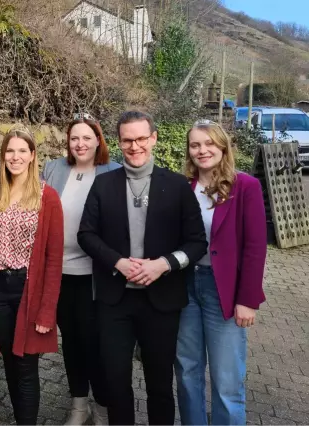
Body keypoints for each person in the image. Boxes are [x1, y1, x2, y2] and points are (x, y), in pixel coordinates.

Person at [77, 111, 207, 425]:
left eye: (140, 139)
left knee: (160, 384)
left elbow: (196, 243)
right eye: (127, 140)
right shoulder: (103, 184)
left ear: (153, 138)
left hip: (161, 301)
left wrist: (164, 264)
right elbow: (86, 234)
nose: (134, 146)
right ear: (119, 143)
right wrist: (117, 262)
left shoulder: (177, 186)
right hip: (114, 300)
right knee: (116, 382)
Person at [175, 120, 267, 425]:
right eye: (195, 145)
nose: (203, 150)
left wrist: (248, 299)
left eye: (209, 143)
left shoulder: (246, 187)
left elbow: (256, 247)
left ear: (223, 147)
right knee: (187, 373)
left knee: (227, 381)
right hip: (186, 289)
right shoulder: (183, 187)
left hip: (224, 291)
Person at [0, 124, 64, 425]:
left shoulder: (47, 197)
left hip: (28, 289)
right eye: (10, 151)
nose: (15, 157)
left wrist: (47, 312)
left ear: (32, 155)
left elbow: (54, 259)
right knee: (8, 361)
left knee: (26, 366)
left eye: (21, 151)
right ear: (3, 156)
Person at [41, 112, 120, 425]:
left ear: (98, 139)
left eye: (87, 137)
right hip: (59, 274)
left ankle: (101, 406)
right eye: (75, 138)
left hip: (95, 276)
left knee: (96, 344)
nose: (80, 143)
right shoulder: (54, 168)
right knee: (71, 342)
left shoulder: (113, 172)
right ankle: (78, 405)